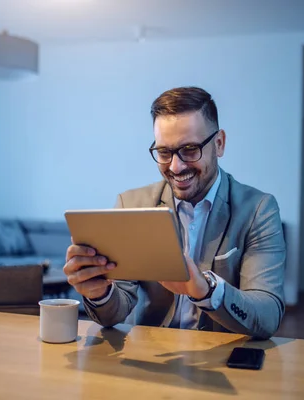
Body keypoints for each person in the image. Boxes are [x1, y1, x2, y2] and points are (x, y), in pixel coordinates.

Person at [63, 87, 286, 339]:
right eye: (164, 152)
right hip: (153, 358)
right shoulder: (132, 204)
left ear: (219, 144)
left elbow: (268, 316)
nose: (176, 167)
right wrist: (99, 293)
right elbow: (114, 312)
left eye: (190, 149)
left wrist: (208, 290)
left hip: (222, 360)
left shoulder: (258, 209)